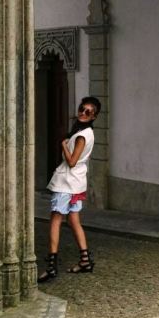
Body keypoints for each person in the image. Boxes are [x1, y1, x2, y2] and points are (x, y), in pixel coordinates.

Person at [38, 96, 101, 282]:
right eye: (82, 109)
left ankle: (51, 266)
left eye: (88, 112)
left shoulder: (82, 136)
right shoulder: (86, 133)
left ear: (94, 116)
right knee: (74, 220)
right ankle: (85, 260)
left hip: (67, 183)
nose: (83, 113)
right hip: (77, 183)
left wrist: (64, 145)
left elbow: (72, 161)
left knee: (56, 220)